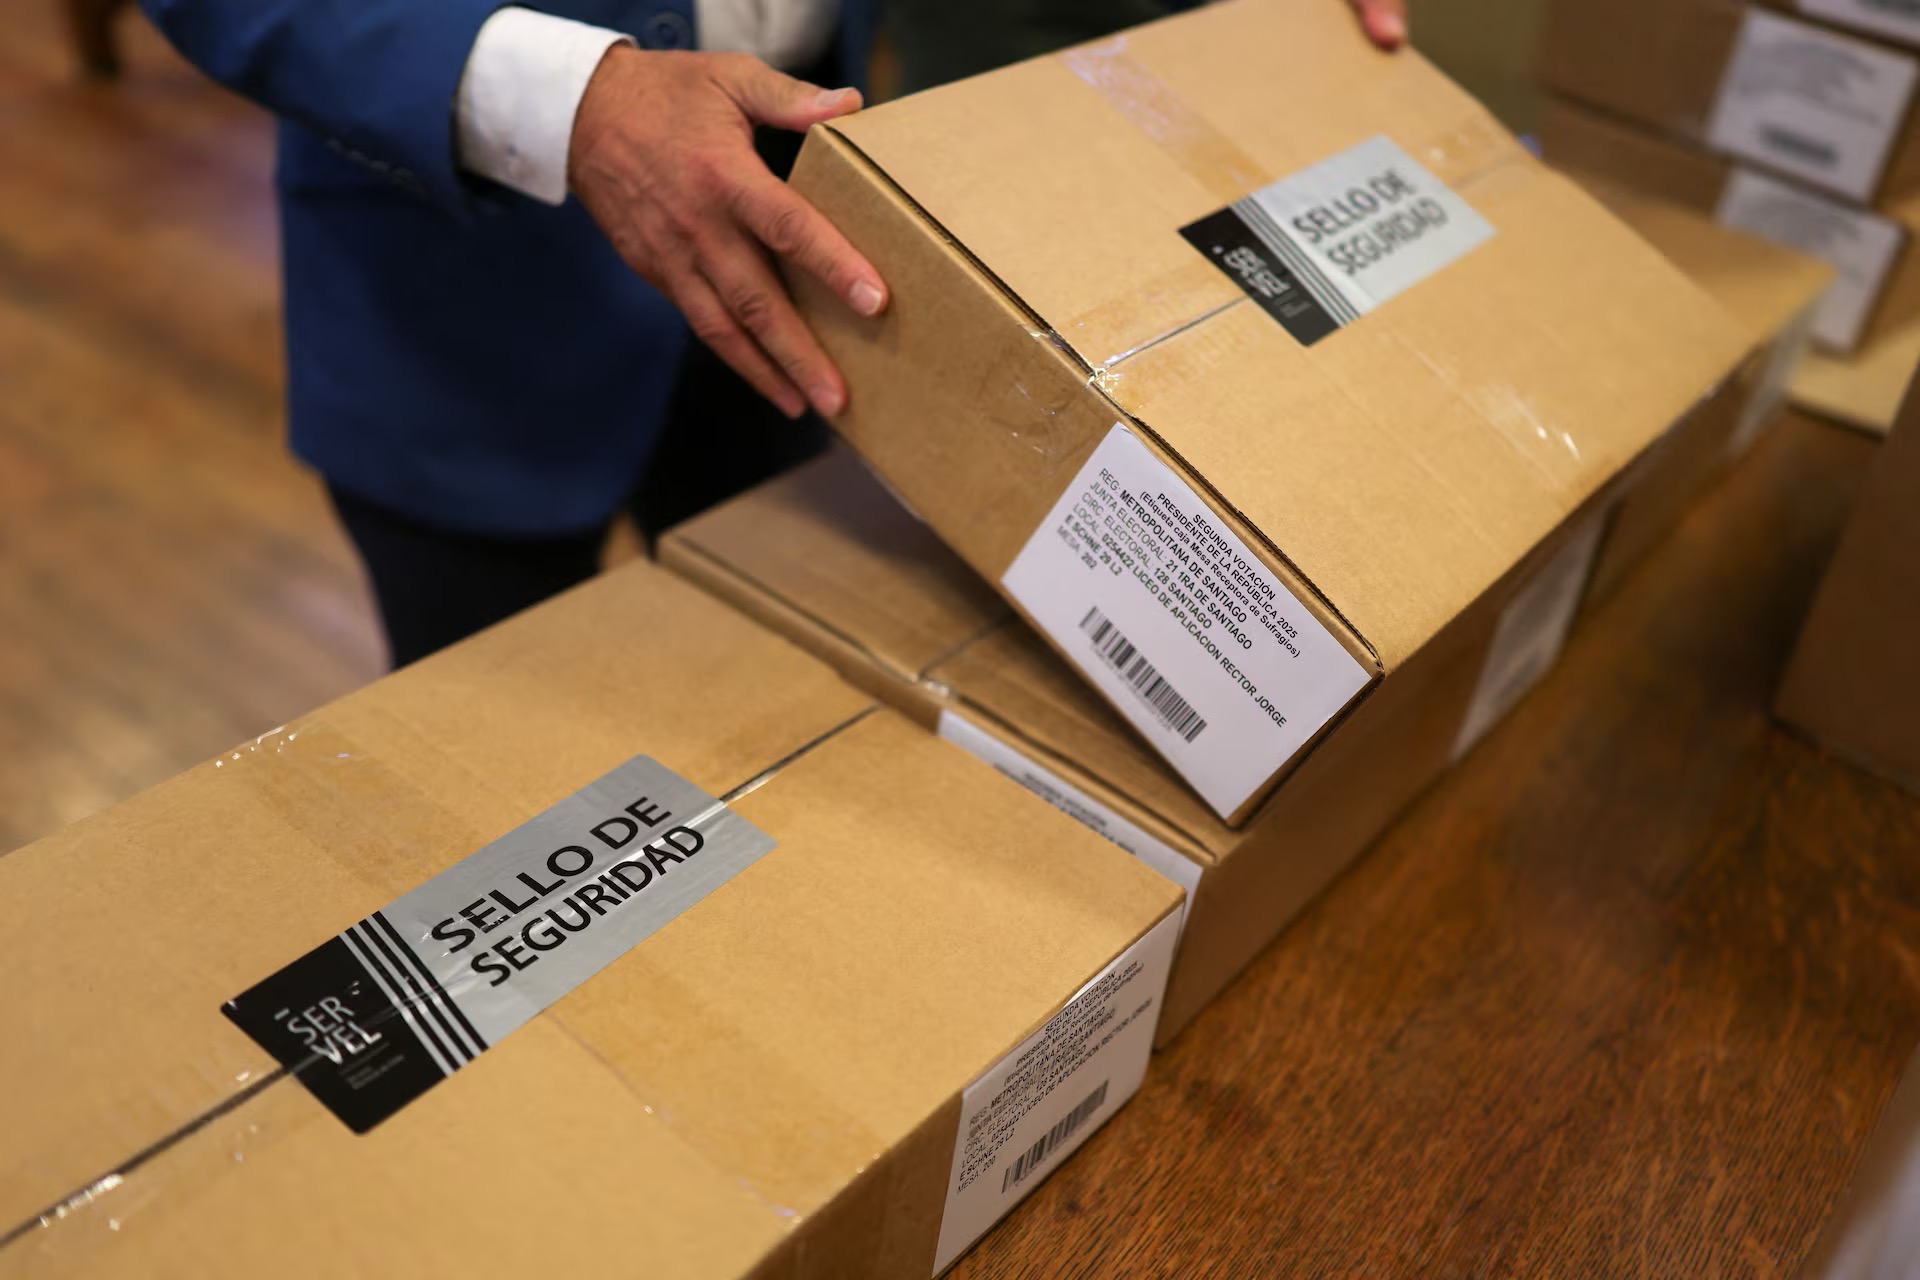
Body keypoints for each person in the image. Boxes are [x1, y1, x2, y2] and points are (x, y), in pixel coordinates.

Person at [139, 0, 1404, 669]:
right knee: (489, 796)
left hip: (806, 260)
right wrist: (575, 101)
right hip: (463, 304)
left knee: (777, 706)